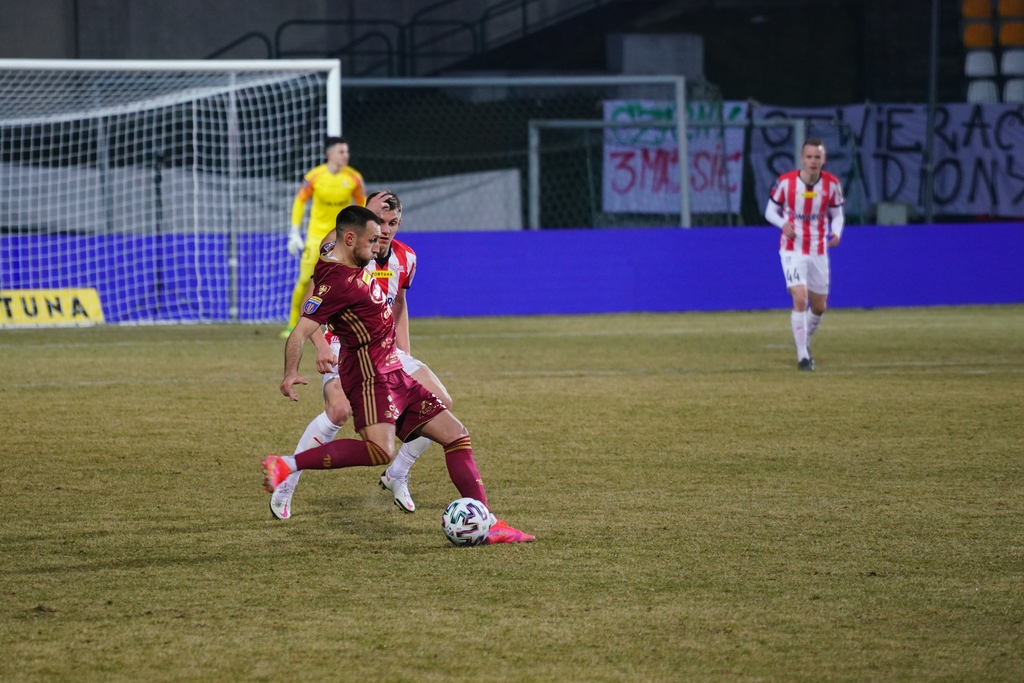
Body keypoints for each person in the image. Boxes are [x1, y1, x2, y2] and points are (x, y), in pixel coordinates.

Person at [263, 204, 533, 544]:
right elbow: (300, 331)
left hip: (394, 368)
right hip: (369, 377)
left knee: (456, 436)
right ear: (351, 239)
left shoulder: (342, 249)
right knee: (379, 450)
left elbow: (339, 232)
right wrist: (290, 372)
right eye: (372, 240)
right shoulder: (336, 284)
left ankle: (489, 522)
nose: (378, 246)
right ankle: (287, 465)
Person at [270, 191, 450, 519]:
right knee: (339, 410)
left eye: (393, 222)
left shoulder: (406, 258)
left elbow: (399, 304)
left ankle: (397, 473)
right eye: (380, 221)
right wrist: (321, 347)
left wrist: (405, 352)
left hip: (385, 350)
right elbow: (312, 302)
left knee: (440, 402)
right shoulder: (337, 247)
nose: (386, 229)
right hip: (344, 346)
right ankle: (287, 481)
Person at [764, 138, 845, 371]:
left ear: (823, 159)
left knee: (819, 307)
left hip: (818, 250)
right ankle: (803, 357)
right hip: (792, 248)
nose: (813, 161)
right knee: (800, 297)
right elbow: (770, 211)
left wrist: (836, 232)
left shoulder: (832, 184)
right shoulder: (785, 182)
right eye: (809, 157)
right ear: (802, 159)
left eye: (817, 157)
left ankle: (803, 342)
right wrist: (782, 224)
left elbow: (837, 214)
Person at [282, 137, 366, 338]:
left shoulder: (354, 178)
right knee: (305, 280)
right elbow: (299, 201)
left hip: (343, 238)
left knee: (349, 282)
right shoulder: (314, 176)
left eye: (347, 152)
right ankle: (292, 324)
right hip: (316, 238)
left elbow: (362, 204)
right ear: (330, 154)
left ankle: (348, 325)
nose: (346, 155)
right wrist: (294, 232)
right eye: (342, 152)